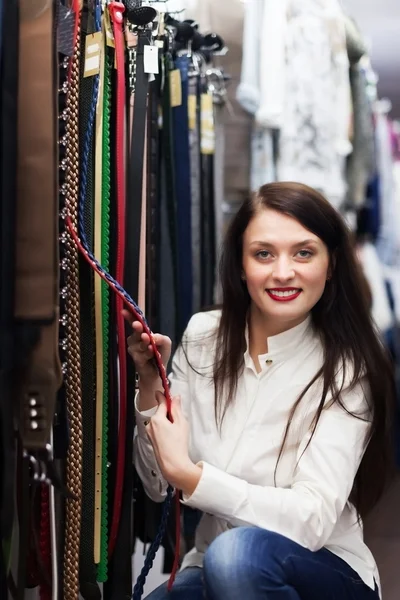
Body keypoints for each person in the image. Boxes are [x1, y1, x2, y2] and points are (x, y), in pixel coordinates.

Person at [124, 182, 395, 600]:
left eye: (303, 252)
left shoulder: (347, 364)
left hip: (325, 570)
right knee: (216, 566)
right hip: (214, 565)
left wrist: (193, 477)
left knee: (236, 557)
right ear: (240, 264)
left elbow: (312, 521)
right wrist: (150, 385)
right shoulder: (202, 336)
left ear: (332, 263)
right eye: (263, 253)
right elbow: (158, 484)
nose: (283, 272)